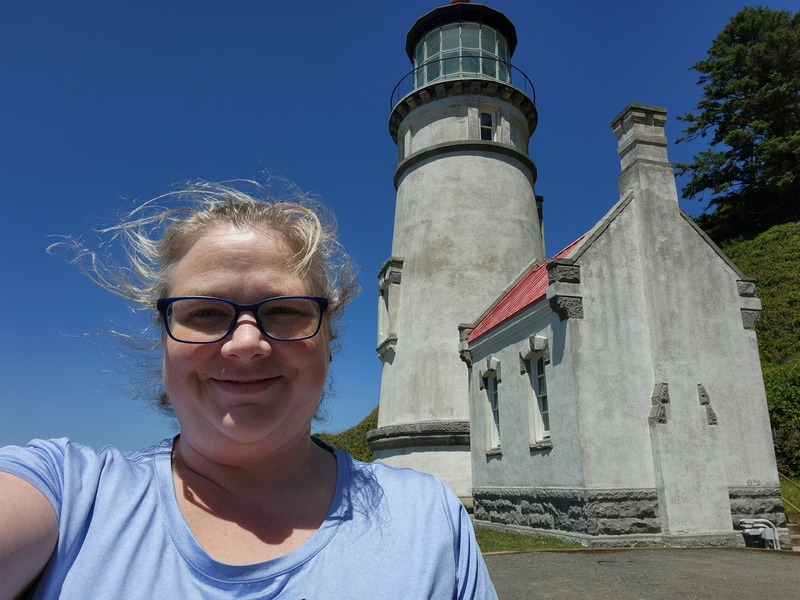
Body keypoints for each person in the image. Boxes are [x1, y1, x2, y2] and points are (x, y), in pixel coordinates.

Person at [0, 181, 498, 599]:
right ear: (164, 338)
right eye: (205, 313)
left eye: (284, 310)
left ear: (330, 338)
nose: (245, 343)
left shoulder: (429, 519)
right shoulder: (68, 493)